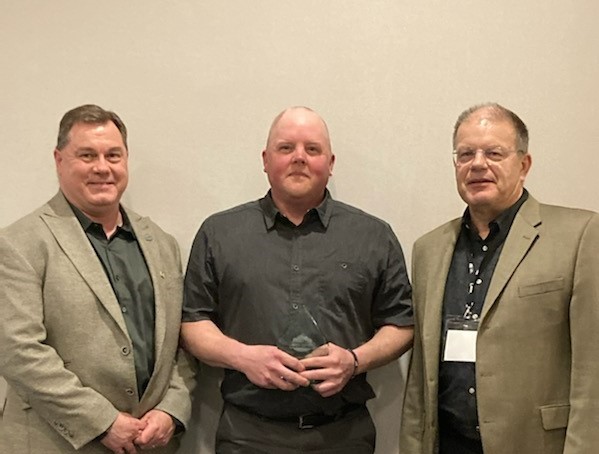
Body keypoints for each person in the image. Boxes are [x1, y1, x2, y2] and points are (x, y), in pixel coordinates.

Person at [181, 106, 414, 454]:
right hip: (248, 435)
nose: (299, 158)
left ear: (331, 163)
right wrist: (244, 357)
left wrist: (354, 361)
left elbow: (401, 324)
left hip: (344, 435)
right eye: (286, 148)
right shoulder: (219, 234)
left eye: (313, 149)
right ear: (265, 158)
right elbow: (193, 323)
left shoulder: (374, 236)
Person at [399, 103, 599, 454]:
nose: (478, 164)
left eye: (494, 153)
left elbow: (592, 370)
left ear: (524, 165)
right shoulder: (428, 250)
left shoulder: (580, 236)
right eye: (466, 154)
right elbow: (420, 379)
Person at [0, 104, 195, 454]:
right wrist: (101, 421)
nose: (102, 167)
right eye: (87, 155)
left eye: (113, 155)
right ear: (59, 161)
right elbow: (17, 351)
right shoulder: (19, 244)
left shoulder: (162, 245)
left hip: (151, 445)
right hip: (55, 443)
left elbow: (179, 345)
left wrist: (172, 410)